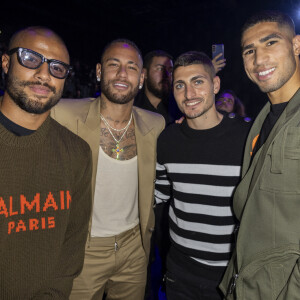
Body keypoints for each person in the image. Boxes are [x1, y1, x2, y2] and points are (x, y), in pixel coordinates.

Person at [51, 39, 165, 300]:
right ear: (100, 71)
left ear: (141, 77)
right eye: (114, 65)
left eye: (131, 67)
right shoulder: (64, 114)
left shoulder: (155, 124)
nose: (122, 74)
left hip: (134, 249)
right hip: (84, 250)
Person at [0, 26, 92, 299]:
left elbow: (73, 241)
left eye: (57, 67)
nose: (44, 74)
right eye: (30, 58)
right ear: (6, 63)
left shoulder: (77, 152)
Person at [154, 51, 250, 300]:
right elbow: (158, 195)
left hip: (233, 273)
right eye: (180, 85)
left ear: (215, 84)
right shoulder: (167, 139)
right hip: (180, 273)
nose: (189, 94)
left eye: (198, 82)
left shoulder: (247, 137)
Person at [220, 10, 300, 299]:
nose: (259, 59)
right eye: (249, 50)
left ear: (297, 45)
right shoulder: (259, 122)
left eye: (270, 43)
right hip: (247, 282)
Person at [134, 50, 179, 125]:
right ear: (144, 73)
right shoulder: (131, 107)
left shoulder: (180, 108)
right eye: (160, 69)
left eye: (170, 71)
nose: (166, 75)